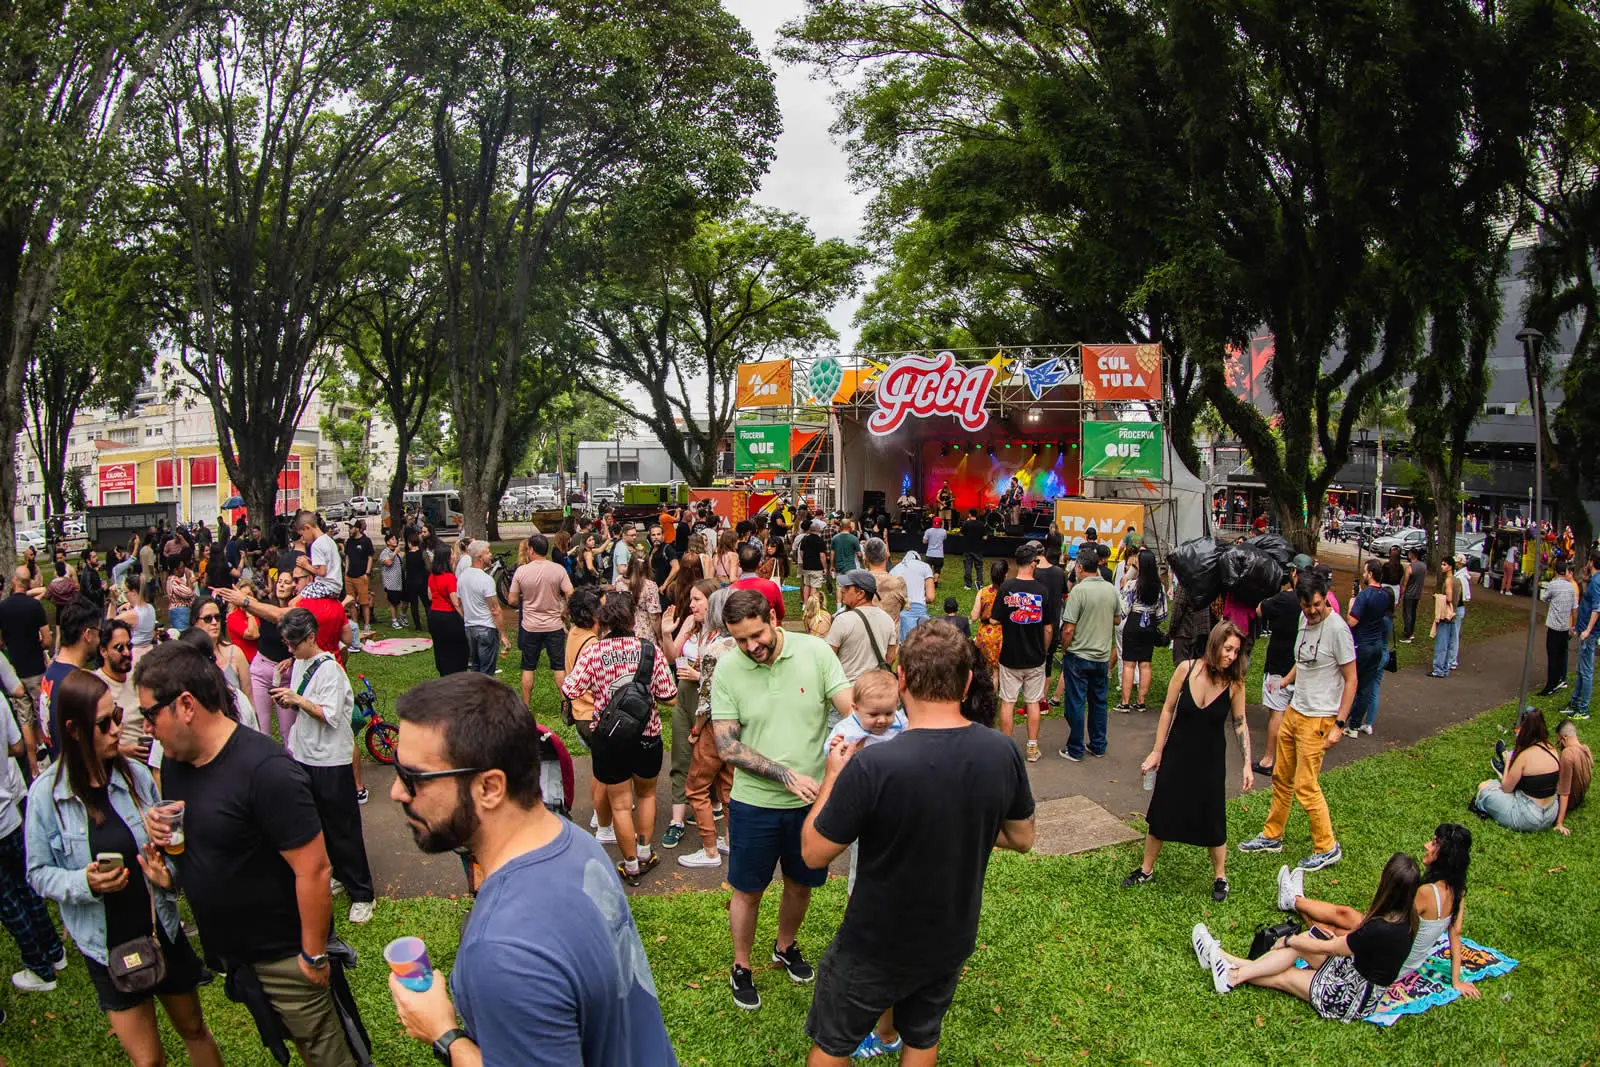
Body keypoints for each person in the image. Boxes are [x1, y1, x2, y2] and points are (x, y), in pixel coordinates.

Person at [385, 674, 676, 1065]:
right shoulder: (576, 843)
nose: (397, 792)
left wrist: (444, 1034)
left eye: (413, 777)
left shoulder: (502, 951)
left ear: (489, 787)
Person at [800, 622, 1035, 1064]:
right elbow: (1022, 838)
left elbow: (814, 852)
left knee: (834, 1043)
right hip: (951, 934)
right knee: (922, 1036)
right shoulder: (1001, 751)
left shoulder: (874, 764)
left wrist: (832, 775)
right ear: (966, 681)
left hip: (875, 940)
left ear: (902, 679)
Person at [134, 641, 357, 1067]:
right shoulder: (179, 764)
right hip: (238, 958)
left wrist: (312, 956)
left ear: (185, 705)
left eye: (149, 714)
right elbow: (213, 844)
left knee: (328, 1056)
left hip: (286, 957)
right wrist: (170, 868)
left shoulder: (266, 771)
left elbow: (313, 869)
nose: (146, 728)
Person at [23, 670, 222, 1061]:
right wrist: (85, 882)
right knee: (148, 1059)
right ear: (74, 729)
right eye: (104, 723)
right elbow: (37, 873)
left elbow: (168, 850)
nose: (117, 728)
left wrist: (167, 875)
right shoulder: (47, 796)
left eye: (116, 715)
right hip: (106, 945)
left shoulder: (134, 776)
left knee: (195, 1029)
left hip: (159, 929)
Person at [711, 588, 853, 1010]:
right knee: (747, 890)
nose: (751, 647)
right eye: (741, 640)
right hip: (754, 803)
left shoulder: (816, 653)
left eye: (757, 635)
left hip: (811, 805)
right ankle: (741, 966)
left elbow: (851, 710)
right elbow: (727, 746)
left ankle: (785, 945)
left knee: (800, 884)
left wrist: (875, 725)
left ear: (774, 617)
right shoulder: (728, 670)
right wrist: (784, 775)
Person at [1194, 853, 1421, 1022]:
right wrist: (1300, 942)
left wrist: (1289, 940)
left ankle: (1230, 973)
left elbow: (1334, 947)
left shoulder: (1382, 928)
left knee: (1285, 975)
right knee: (1307, 940)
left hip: (1352, 997)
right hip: (1352, 970)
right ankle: (1223, 962)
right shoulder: (1408, 918)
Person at [1124, 621, 1252, 901]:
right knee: (1160, 812)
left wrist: (1246, 764)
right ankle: (1146, 869)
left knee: (1213, 817)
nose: (1231, 656)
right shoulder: (1186, 670)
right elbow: (1168, 710)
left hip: (1210, 760)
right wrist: (1157, 751)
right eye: (1228, 649)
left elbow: (1240, 723)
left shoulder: (1234, 683)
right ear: (1215, 644)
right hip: (1177, 754)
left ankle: (1220, 876)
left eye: (1236, 652)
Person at [1275, 824, 1479, 998]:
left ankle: (1293, 901)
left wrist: (1360, 930)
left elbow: (1388, 924)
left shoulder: (1426, 893)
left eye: (1434, 843)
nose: (1427, 845)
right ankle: (1294, 899)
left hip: (1390, 959)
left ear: (1444, 855)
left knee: (1333, 930)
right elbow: (1456, 934)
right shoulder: (1458, 890)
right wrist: (1456, 980)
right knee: (1345, 914)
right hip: (1399, 952)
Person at [560, 592, 677, 886]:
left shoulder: (593, 652)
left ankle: (630, 865)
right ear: (631, 619)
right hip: (647, 734)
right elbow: (669, 696)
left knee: (621, 805)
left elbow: (569, 690)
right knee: (647, 795)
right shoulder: (649, 650)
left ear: (603, 621)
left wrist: (602, 692)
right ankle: (646, 852)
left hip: (608, 739)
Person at [1240, 577, 1355, 872]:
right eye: (1307, 606)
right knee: (1281, 776)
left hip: (1320, 717)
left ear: (1325, 598)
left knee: (1306, 785)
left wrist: (1339, 724)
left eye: (1318, 605)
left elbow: (1351, 679)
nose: (1313, 611)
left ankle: (1327, 847)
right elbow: (1304, 662)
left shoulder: (1337, 629)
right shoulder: (1304, 621)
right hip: (1295, 710)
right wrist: (1286, 682)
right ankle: (1272, 835)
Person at [271, 609, 375, 922]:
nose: (290, 649)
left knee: (343, 827)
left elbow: (329, 714)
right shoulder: (299, 661)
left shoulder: (331, 670)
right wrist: (286, 694)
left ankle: (362, 893)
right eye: (287, 643)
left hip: (331, 759)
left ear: (310, 637)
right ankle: (339, 875)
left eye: (294, 643)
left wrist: (297, 700)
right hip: (305, 754)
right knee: (319, 823)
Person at [1, 662, 66, 993]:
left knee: (7, 901)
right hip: (9, 812)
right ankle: (55, 951)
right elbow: (16, 746)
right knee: (26, 885)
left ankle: (40, 967)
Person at [660, 579, 724, 852]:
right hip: (684, 701)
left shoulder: (724, 634)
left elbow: (727, 677)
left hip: (712, 705)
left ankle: (715, 804)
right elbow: (672, 656)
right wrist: (666, 633)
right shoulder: (690, 624)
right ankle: (677, 820)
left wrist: (700, 676)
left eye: (698, 599)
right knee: (681, 757)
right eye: (692, 599)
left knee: (714, 760)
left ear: (712, 601)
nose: (692, 604)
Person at [990, 545, 1051, 763]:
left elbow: (995, 619)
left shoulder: (1006, 587)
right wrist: (1043, 650)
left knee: (1008, 701)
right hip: (1035, 657)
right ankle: (1032, 748)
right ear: (1033, 563)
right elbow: (1049, 628)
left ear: (1017, 563)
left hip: (1010, 655)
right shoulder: (1043, 591)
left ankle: (1007, 748)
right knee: (1033, 702)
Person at [1059, 547, 1118, 762]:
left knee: (1075, 702)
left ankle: (1075, 748)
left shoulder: (1079, 591)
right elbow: (1118, 618)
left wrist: (1065, 648)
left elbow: (1068, 629)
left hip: (1079, 655)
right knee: (1099, 702)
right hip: (1101, 656)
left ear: (1081, 567)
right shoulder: (1110, 589)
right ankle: (1098, 744)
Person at [506, 534, 574, 708]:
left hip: (530, 626)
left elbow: (511, 600)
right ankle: (565, 703)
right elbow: (571, 594)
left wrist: (525, 596)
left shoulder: (522, 571)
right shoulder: (557, 569)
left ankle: (526, 705)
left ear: (531, 550)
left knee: (528, 667)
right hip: (554, 625)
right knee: (559, 667)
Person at [1472, 705, 1561, 832]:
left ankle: (1505, 766)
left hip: (1528, 816)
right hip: (1551, 814)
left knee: (1484, 787)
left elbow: (1507, 788)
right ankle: (1505, 771)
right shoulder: (1552, 749)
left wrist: (1508, 762)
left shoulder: (1525, 755)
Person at [0, 566, 50, 776]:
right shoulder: (35, 607)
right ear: (29, 583)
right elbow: (47, 639)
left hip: (16, 672)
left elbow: (0, 641)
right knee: (41, 715)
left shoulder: (2, 608)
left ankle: (32, 767)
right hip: (36, 669)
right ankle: (46, 757)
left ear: (13, 582)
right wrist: (40, 646)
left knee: (25, 720)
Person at [43, 596, 102, 757]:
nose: (99, 639)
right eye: (99, 632)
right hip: (76, 773)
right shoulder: (76, 684)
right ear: (88, 634)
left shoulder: (50, 674)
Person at [1115, 549, 1166, 714]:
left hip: (1134, 621)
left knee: (1129, 663)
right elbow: (1162, 613)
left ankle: (1125, 702)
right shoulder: (1159, 587)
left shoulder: (1133, 585)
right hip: (1149, 623)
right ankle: (1141, 701)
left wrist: (1130, 574)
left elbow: (1123, 608)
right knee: (1146, 664)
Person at [1345, 561, 1392, 737]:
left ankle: (1342, 719)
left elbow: (1352, 621)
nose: (1364, 575)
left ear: (1371, 573)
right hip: (1377, 645)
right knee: (1366, 687)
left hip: (1362, 644)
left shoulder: (1365, 596)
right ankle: (1355, 725)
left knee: (1351, 683)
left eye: (1365, 571)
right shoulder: (1385, 596)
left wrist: (1351, 605)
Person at [827, 570, 899, 684]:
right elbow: (891, 657)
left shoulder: (842, 620)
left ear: (860, 593)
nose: (842, 590)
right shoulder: (888, 619)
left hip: (848, 690)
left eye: (847, 587)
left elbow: (828, 657)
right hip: (875, 688)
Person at [458, 542, 510, 677]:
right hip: (486, 629)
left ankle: (474, 695)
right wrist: (503, 635)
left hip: (469, 628)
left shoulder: (462, 577)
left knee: (475, 667)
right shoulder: (486, 580)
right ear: (480, 557)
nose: (491, 554)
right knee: (487, 672)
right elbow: (495, 609)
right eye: (488, 552)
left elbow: (459, 603)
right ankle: (484, 697)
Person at [427, 544, 470, 676]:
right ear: (446, 558)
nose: (454, 556)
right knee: (457, 648)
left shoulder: (432, 576)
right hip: (448, 617)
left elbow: (430, 595)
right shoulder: (450, 578)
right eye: (451, 554)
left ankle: (443, 671)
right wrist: (464, 617)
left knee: (441, 647)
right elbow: (455, 602)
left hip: (434, 615)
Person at [1568, 552, 1600, 720]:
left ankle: (1583, 708)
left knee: (1586, 670)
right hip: (1583, 629)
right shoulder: (1593, 580)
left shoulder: (1596, 582)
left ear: (1592, 562)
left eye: (1588, 560)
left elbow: (1597, 608)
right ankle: (1575, 702)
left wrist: (1587, 630)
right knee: (1581, 669)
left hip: (1589, 633)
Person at [1539, 559, 1579, 696]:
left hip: (1554, 626)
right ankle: (1558, 680)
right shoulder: (1571, 587)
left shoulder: (1553, 585)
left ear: (1556, 571)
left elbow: (1544, 598)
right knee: (1561, 656)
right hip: (1565, 627)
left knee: (1552, 656)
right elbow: (1575, 608)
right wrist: (1573, 625)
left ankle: (1550, 685)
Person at [1553, 718, 1591, 835]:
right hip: (1579, 798)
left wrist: (1559, 823)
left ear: (1564, 738)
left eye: (1558, 742)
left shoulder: (1567, 754)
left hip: (1569, 801)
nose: (1559, 747)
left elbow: (1564, 792)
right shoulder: (1585, 749)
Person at [729, 542, 783, 623]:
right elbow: (780, 614)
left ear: (739, 564)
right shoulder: (771, 586)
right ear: (759, 564)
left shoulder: (732, 589)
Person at [890, 549, 936, 642]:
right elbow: (931, 597)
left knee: (906, 646)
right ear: (918, 558)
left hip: (901, 613)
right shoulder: (925, 567)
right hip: (920, 612)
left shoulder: (894, 570)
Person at [1428, 557, 1463, 678]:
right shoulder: (1458, 581)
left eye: (1444, 564)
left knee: (1441, 643)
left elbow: (1448, 598)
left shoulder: (1448, 581)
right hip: (1453, 614)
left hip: (1445, 615)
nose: (1442, 566)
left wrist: (1437, 596)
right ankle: (1445, 667)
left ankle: (1438, 669)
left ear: (1450, 567)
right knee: (1449, 642)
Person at [343, 519, 375, 632]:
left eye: (351, 527)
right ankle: (355, 625)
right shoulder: (349, 541)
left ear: (357, 528)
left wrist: (367, 572)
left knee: (364, 602)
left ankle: (367, 624)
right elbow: (347, 556)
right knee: (351, 602)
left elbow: (370, 557)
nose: (350, 530)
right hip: (349, 576)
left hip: (361, 576)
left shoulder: (366, 541)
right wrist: (346, 571)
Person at [798, 520, 829, 604]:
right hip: (817, 567)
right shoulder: (820, 541)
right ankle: (811, 605)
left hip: (806, 566)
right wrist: (825, 568)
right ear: (818, 530)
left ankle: (805, 603)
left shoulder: (805, 539)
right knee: (814, 586)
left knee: (807, 585)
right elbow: (822, 556)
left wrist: (805, 559)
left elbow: (801, 552)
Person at [379, 533, 405, 629]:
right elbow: (388, 562)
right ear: (388, 542)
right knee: (392, 602)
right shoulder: (385, 552)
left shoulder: (398, 552)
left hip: (398, 582)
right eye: (393, 539)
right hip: (390, 582)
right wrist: (394, 553)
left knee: (397, 602)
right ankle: (394, 620)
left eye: (396, 539)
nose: (395, 541)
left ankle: (398, 618)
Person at [1400, 546, 1426, 642]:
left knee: (1407, 613)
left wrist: (1401, 594)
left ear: (1411, 555)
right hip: (1417, 593)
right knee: (1413, 613)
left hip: (1409, 594)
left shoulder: (1410, 567)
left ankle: (1409, 633)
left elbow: (1405, 583)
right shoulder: (1423, 566)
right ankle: (1409, 630)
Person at [960, 509, 987, 590]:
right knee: (979, 567)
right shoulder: (981, 524)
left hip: (968, 548)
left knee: (968, 567)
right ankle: (979, 583)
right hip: (978, 549)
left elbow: (961, 533)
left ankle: (968, 585)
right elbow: (985, 537)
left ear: (969, 514)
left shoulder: (966, 523)